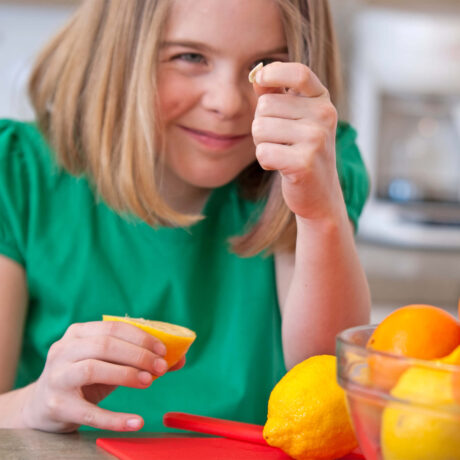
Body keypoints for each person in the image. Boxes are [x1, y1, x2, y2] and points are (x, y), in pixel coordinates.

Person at [0, 0, 371, 433]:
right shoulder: (17, 173)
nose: (228, 103)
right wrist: (35, 406)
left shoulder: (313, 166)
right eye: (190, 57)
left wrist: (319, 213)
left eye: (266, 64)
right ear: (118, 53)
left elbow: (327, 379)